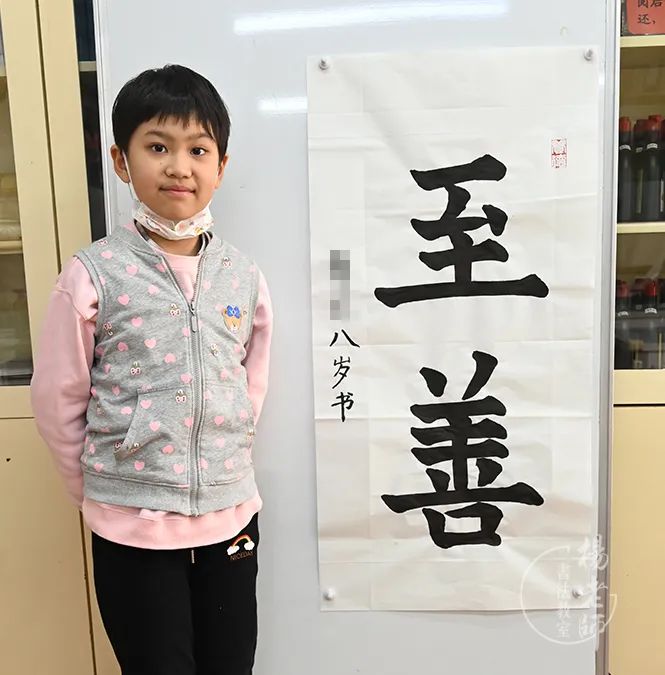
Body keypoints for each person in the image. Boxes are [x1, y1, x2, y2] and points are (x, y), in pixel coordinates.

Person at [30, 64, 273, 675]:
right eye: (158, 147)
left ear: (221, 166)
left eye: (198, 150)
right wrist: (99, 492)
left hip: (230, 516)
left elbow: (250, 384)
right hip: (131, 524)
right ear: (121, 160)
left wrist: (224, 458)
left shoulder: (242, 275)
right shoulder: (94, 272)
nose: (179, 167)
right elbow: (58, 398)